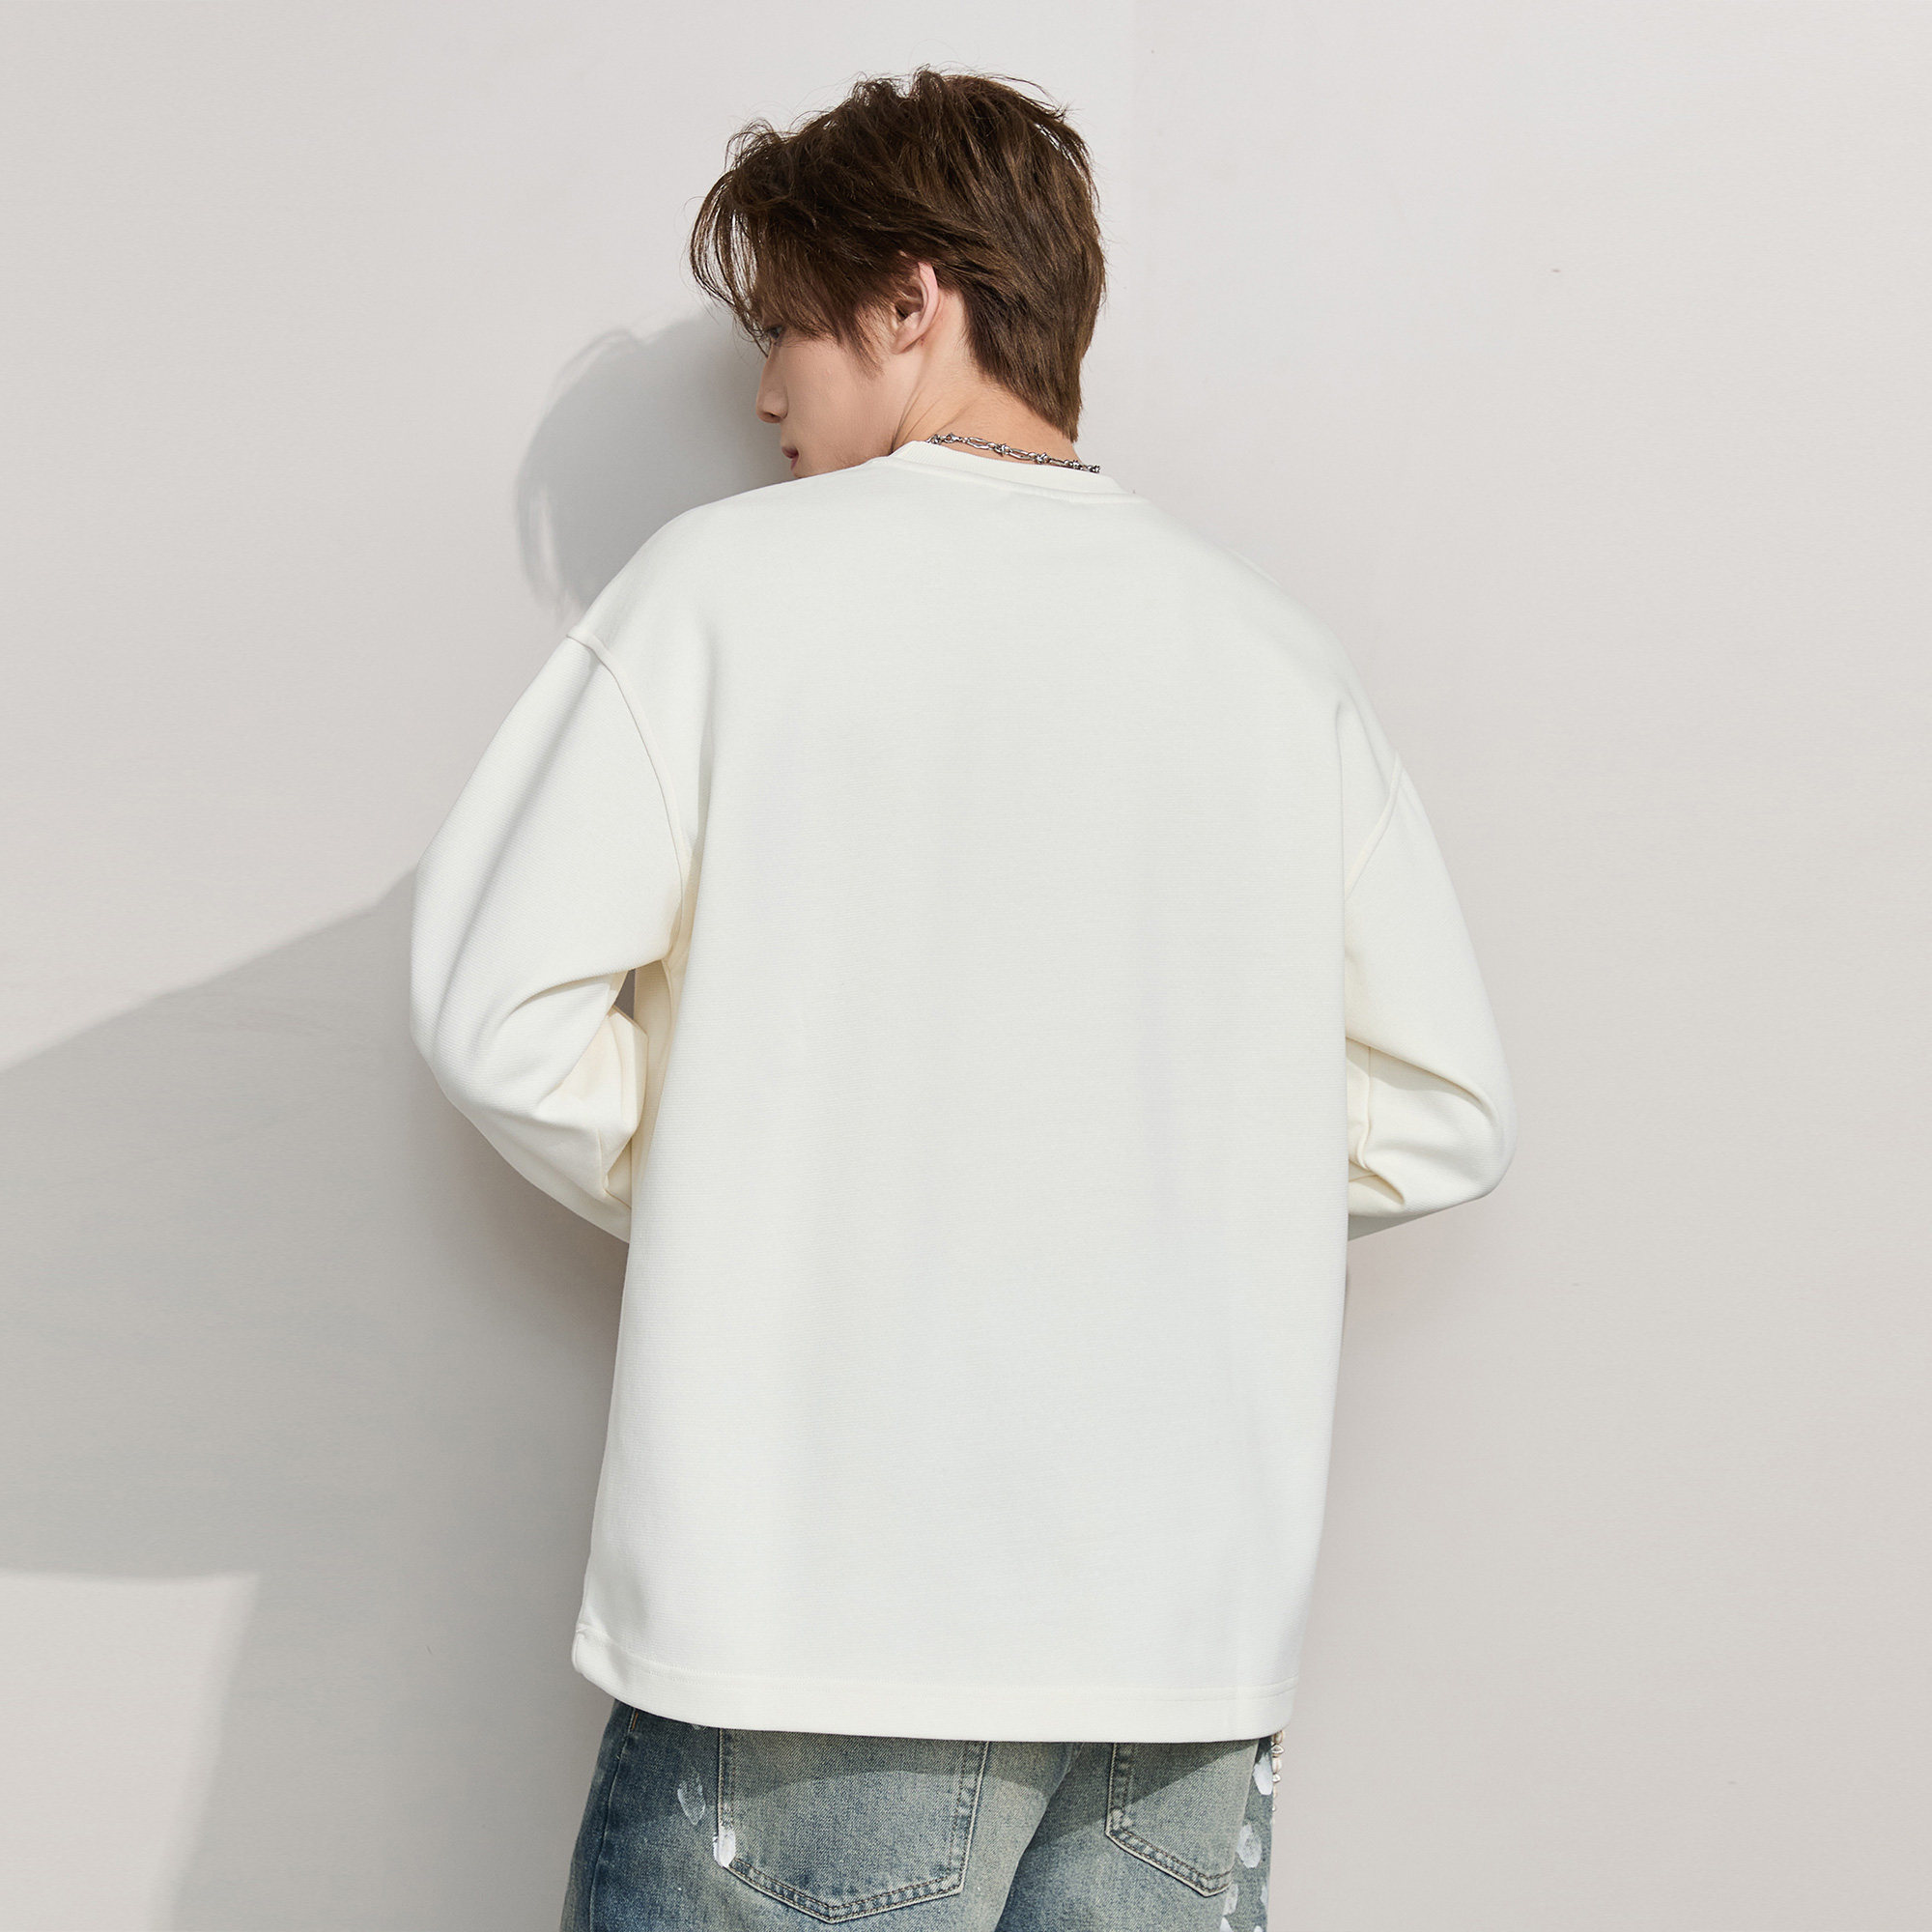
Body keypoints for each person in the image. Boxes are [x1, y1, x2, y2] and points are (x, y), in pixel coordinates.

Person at [409, 66, 1516, 1932]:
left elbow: (491, 1013)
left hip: (819, 1641)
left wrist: (755, 1181)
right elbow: (1445, 1114)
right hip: (1181, 1669)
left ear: (913, 301)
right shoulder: (1273, 657)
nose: (767, 397)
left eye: (785, 332)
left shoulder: (724, 595)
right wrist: (1157, 1189)